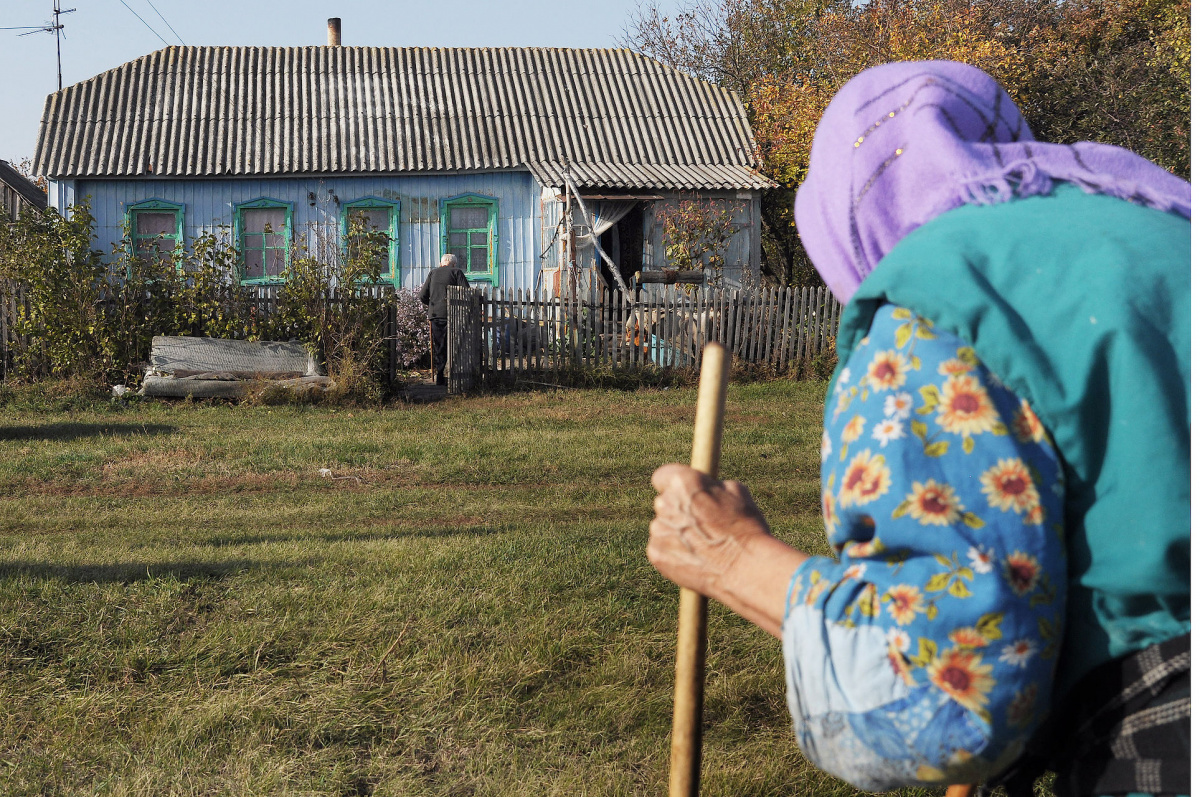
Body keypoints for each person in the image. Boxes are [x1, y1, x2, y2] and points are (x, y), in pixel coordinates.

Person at [648, 60, 1189, 797]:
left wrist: (731, 556)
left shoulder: (937, 303)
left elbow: (951, 688)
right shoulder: (1162, 226)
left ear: (840, 216)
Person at [419, 253, 469, 386]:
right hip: (453, 315)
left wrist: (432, 305)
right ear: (454, 263)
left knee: (439, 345)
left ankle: (440, 376)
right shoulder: (457, 272)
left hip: (436, 315)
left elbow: (422, 295)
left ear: (441, 263)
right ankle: (455, 375)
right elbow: (466, 293)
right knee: (455, 345)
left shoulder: (433, 273)